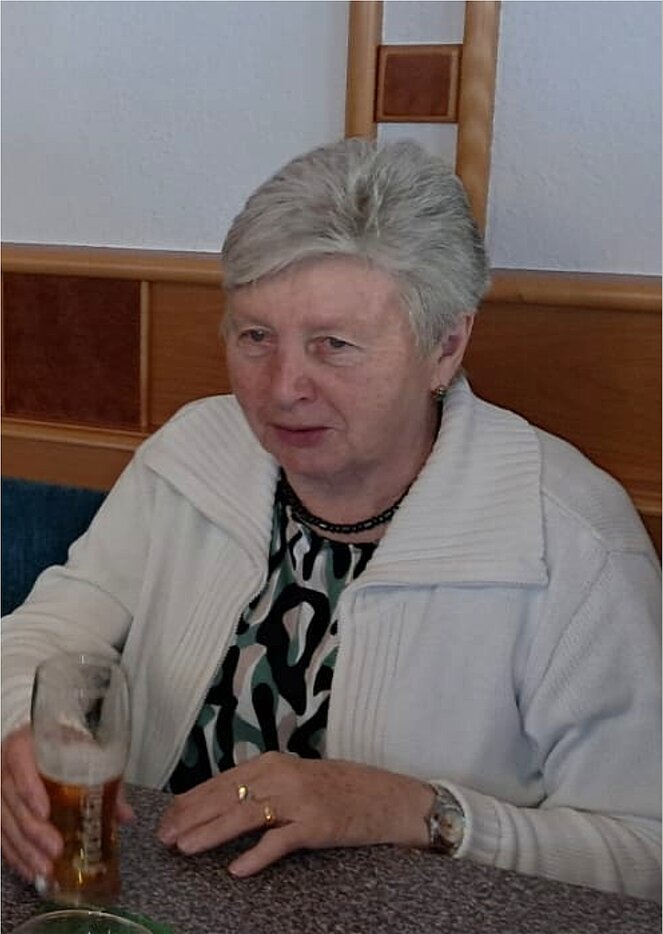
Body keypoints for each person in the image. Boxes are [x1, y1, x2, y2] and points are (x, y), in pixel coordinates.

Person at [1, 138, 660, 901]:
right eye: (255, 337)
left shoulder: (569, 539)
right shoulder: (194, 450)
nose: (283, 387)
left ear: (445, 346)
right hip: (156, 900)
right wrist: (23, 730)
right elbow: (44, 632)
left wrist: (419, 812)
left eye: (334, 346)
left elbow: (646, 851)